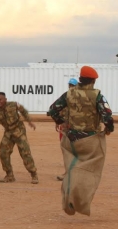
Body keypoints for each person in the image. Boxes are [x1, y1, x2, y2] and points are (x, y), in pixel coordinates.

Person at [48, 65, 114, 216]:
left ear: (80, 79)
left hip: (71, 138)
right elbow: (107, 116)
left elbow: (52, 109)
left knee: (72, 168)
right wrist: (109, 129)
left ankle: (67, 199)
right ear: (93, 81)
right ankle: (80, 202)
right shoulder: (97, 96)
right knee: (90, 171)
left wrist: (61, 122)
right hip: (90, 139)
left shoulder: (69, 94)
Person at [0, 92, 39, 184]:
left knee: (25, 153)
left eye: (0, 99)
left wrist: (29, 121)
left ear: (5, 99)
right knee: (3, 153)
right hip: (8, 133)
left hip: (19, 131)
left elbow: (24, 111)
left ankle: (34, 174)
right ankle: (9, 175)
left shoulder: (14, 105)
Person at [56, 78, 78, 181]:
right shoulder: (66, 97)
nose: (71, 87)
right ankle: (68, 172)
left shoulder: (79, 98)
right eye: (70, 85)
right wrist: (58, 122)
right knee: (65, 150)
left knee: (75, 150)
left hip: (75, 128)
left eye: (73, 85)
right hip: (65, 127)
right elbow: (59, 109)